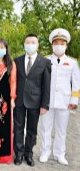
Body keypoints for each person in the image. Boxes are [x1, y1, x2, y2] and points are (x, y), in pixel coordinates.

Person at [39, 28, 80, 165]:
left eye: (62, 43)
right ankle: (45, 152)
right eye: (56, 43)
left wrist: (74, 100)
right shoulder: (45, 61)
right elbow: (40, 82)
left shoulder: (72, 63)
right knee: (45, 128)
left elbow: (76, 84)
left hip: (64, 101)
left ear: (66, 45)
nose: (59, 45)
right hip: (47, 101)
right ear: (52, 44)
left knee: (62, 130)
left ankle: (59, 154)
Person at [13, 34, 51, 167]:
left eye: (33, 42)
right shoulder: (17, 61)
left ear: (37, 45)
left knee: (31, 130)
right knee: (18, 128)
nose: (30, 44)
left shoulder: (45, 62)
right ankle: (18, 153)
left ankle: (28, 154)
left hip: (35, 101)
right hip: (19, 101)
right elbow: (13, 81)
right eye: (27, 42)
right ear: (24, 44)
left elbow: (46, 85)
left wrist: (45, 104)